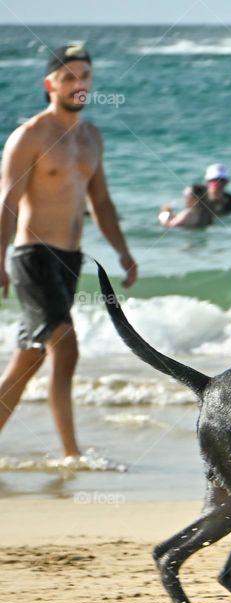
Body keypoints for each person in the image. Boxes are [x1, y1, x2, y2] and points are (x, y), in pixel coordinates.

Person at [0, 44, 138, 458]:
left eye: (84, 76)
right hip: (33, 256)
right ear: (50, 84)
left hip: (69, 259)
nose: (78, 84)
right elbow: (7, 201)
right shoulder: (30, 136)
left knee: (27, 362)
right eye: (68, 77)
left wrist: (124, 253)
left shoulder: (91, 137)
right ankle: (73, 455)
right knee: (66, 345)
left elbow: (102, 203)